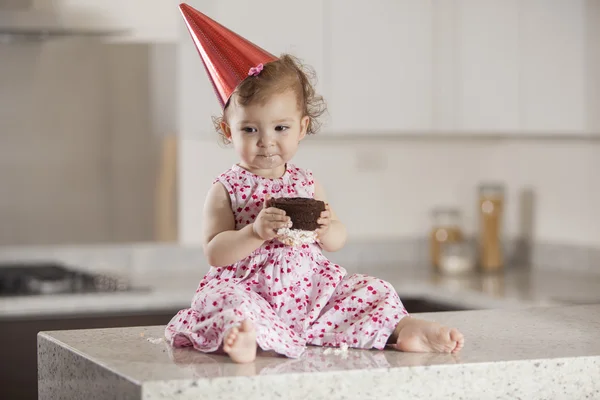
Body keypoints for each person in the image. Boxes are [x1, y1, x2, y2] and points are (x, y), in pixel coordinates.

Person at [166, 3, 464, 364]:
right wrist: (254, 233)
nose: (266, 141)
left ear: (302, 128)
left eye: (280, 127)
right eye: (249, 129)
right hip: (253, 292)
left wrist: (328, 228)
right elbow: (214, 252)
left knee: (372, 289)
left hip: (310, 293)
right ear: (228, 131)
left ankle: (405, 330)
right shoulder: (226, 188)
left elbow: (337, 240)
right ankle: (246, 337)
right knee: (228, 303)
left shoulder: (306, 183)